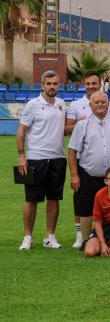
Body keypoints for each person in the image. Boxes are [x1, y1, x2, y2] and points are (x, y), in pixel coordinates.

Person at [67, 92, 110, 247]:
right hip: (88, 173)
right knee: (86, 207)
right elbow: (72, 151)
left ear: (108, 104)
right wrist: (74, 175)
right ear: (91, 105)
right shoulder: (82, 125)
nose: (100, 105)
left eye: (103, 102)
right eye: (97, 102)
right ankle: (85, 239)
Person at [16, 70, 68, 250]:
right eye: (49, 84)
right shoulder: (32, 105)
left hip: (58, 158)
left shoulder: (61, 104)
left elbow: (63, 129)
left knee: (54, 198)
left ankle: (50, 237)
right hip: (36, 158)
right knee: (31, 199)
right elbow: (21, 132)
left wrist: (81, 122)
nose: (52, 87)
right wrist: (22, 156)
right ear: (42, 85)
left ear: (58, 85)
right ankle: (27, 237)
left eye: (55, 84)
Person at [64, 70, 102, 248]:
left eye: (94, 83)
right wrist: (83, 123)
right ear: (83, 84)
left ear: (100, 84)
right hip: (81, 159)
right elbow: (66, 128)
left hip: (101, 159)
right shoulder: (76, 105)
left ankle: (99, 233)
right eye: (88, 83)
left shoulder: (105, 101)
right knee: (80, 199)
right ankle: (80, 234)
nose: (91, 86)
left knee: (102, 197)